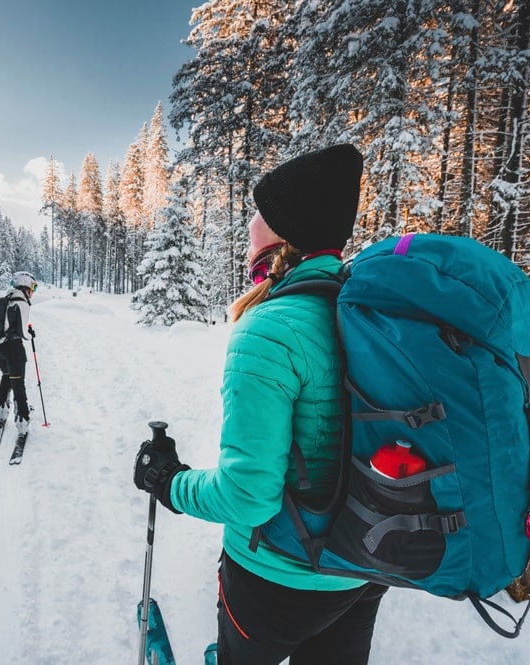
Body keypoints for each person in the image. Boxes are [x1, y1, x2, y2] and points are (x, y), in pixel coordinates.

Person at [134, 145, 387, 665]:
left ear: (282, 234)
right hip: (361, 568)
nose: (250, 222)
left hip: (278, 580)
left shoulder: (270, 328)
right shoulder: (366, 312)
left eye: (261, 212)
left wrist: (169, 482)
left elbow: (249, 499)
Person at [0, 270, 38, 436]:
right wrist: (30, 333)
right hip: (13, 350)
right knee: (18, 383)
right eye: (33, 287)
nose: (33, 292)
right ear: (25, 285)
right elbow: (23, 333)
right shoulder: (22, 302)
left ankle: (1, 410)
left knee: (7, 376)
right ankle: (22, 420)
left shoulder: (7, 298)